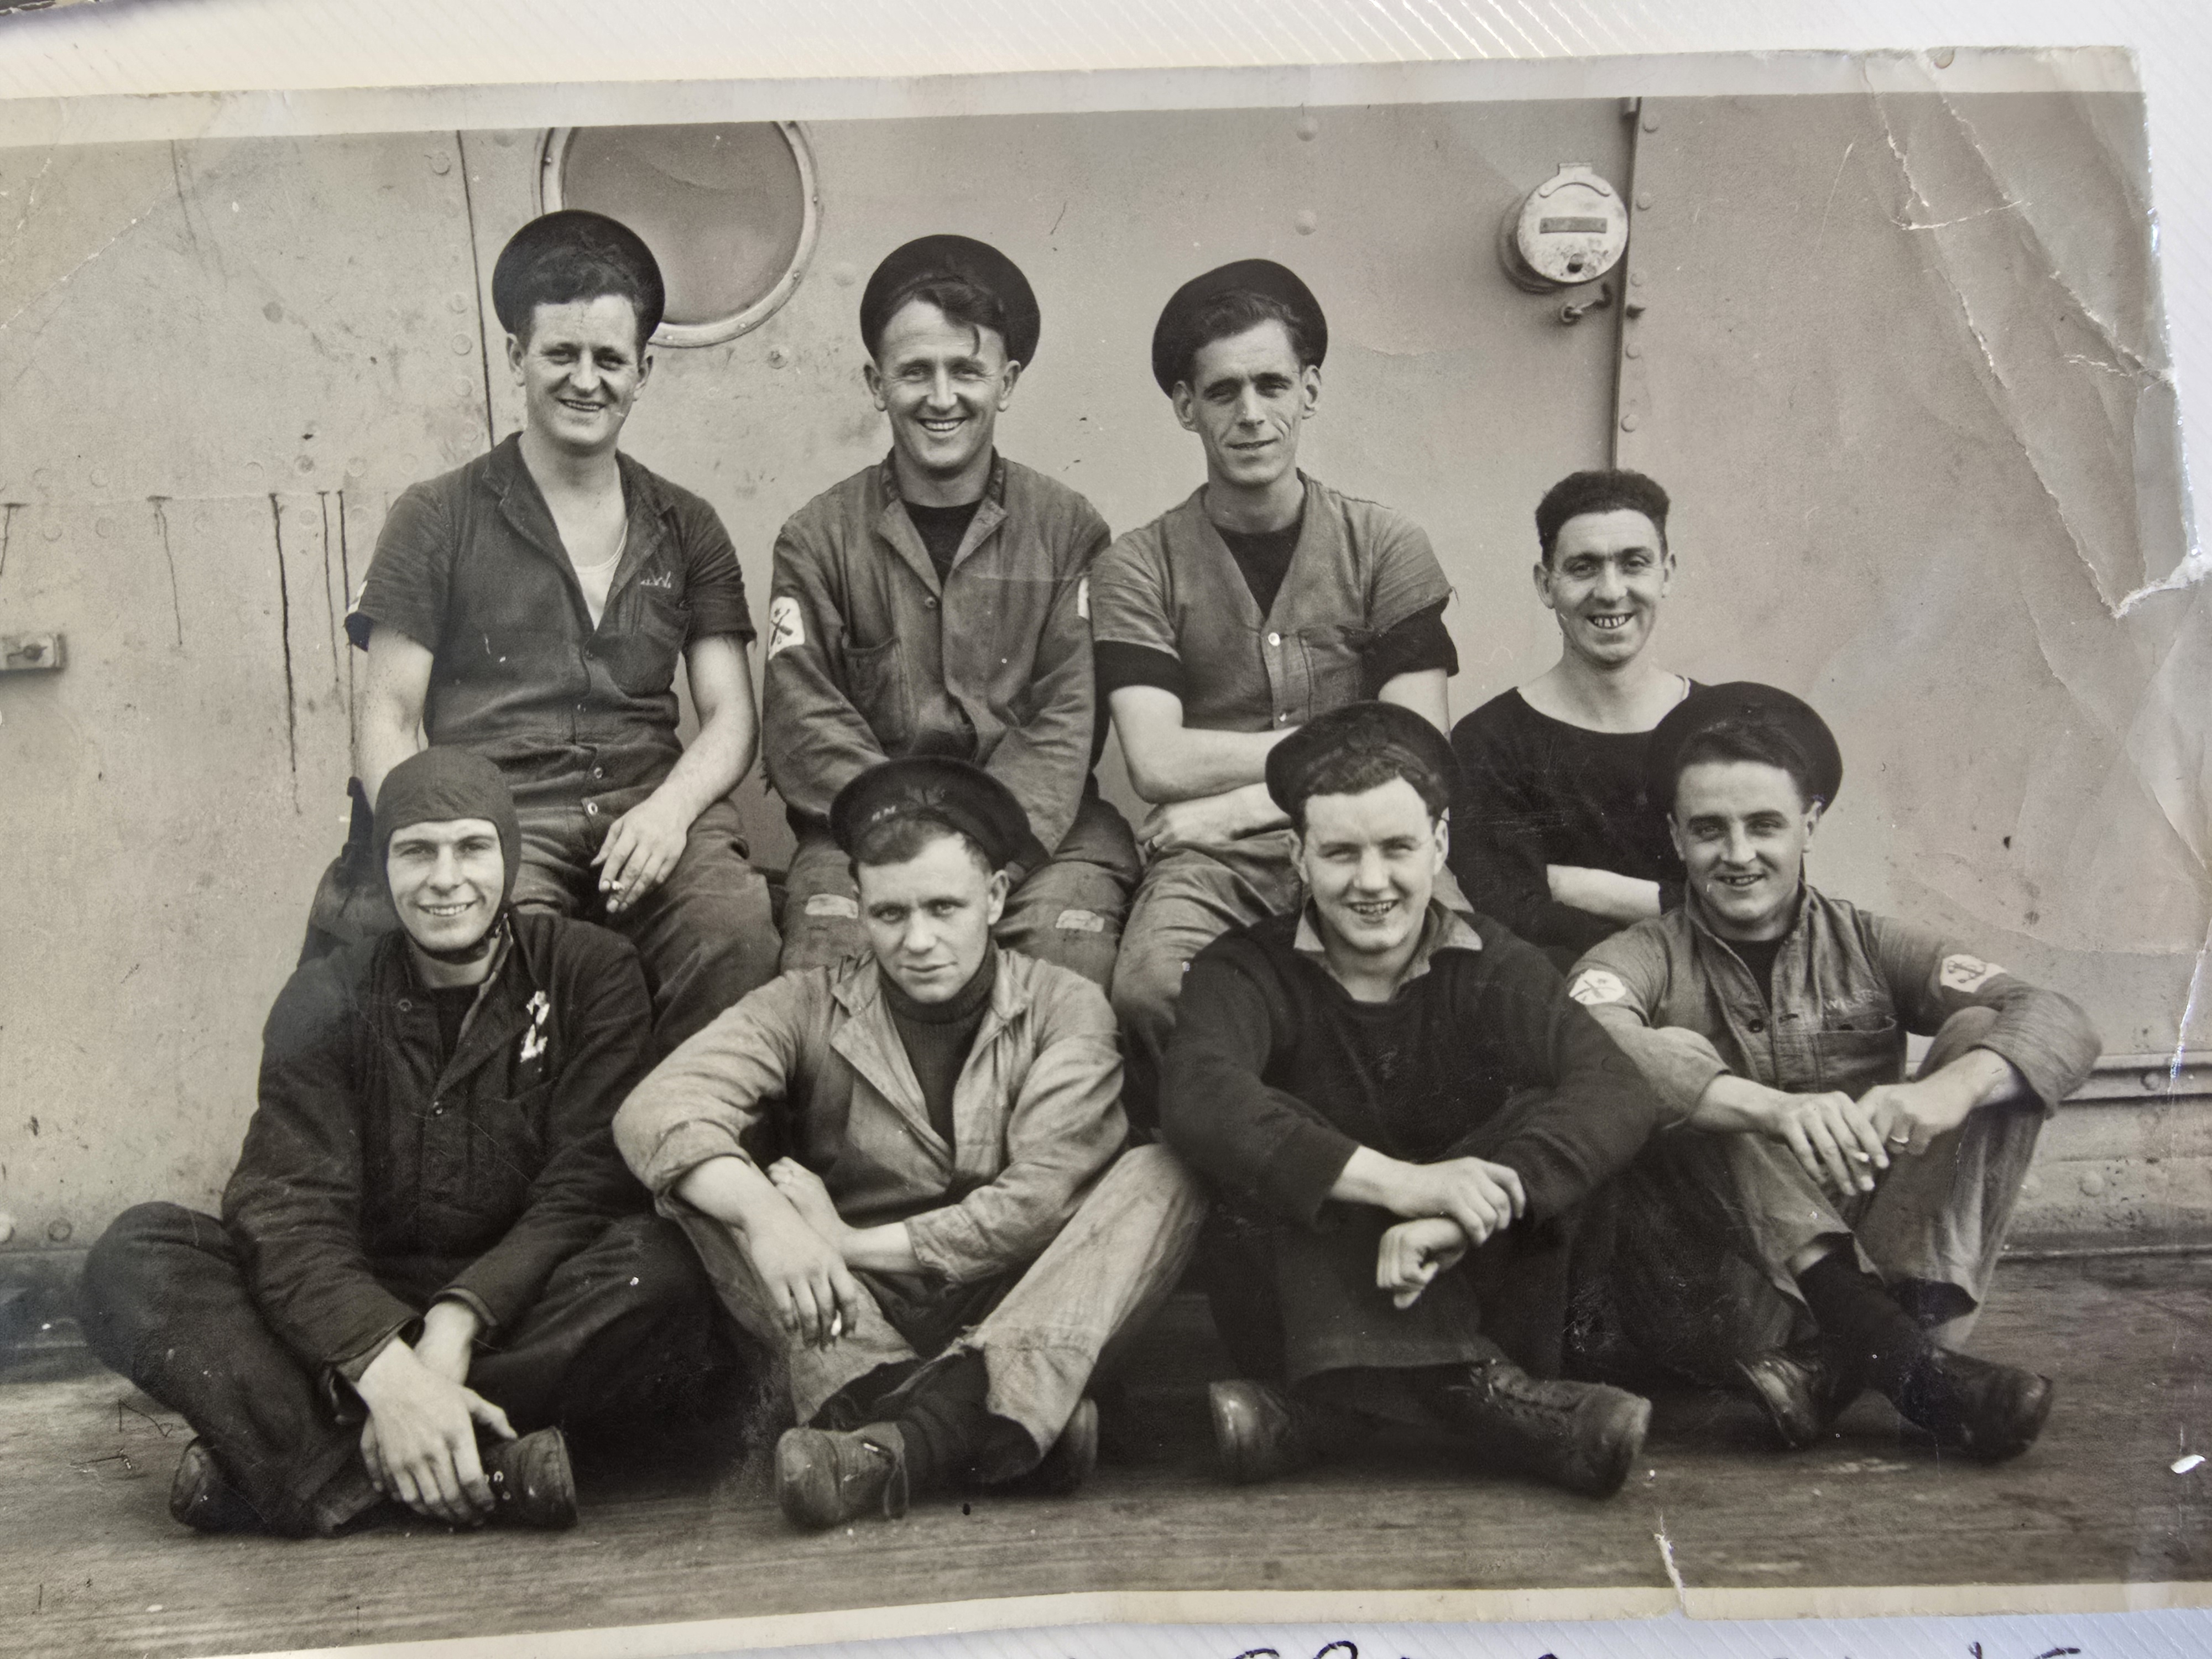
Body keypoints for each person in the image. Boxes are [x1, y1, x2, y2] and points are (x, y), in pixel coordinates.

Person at [77, 749, 737, 1537]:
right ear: (386, 868)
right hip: (354, 1310)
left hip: (516, 1305)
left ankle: (314, 1466)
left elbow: (586, 1188)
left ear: (508, 856)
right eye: (416, 851)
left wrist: (456, 1323)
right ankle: (475, 1462)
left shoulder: (589, 971)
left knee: (664, 1272)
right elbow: (287, 1211)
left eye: (472, 848)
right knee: (135, 1258)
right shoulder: (325, 994)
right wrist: (388, 1371)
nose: (445, 879)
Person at [614, 757, 1206, 1531]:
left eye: (944, 908)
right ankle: (999, 1420)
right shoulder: (807, 1003)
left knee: (1165, 1173)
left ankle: (897, 1438)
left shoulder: (1065, 1005)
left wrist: (847, 1241)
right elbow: (655, 1108)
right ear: (860, 908)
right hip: (854, 1313)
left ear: (995, 898)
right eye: (890, 914)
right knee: (705, 1184)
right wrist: (771, 1219)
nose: (918, 941)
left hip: (1017, 1300)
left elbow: (1038, 1201)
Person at [1568, 684, 2101, 1459]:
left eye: (1764, 826)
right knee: (1677, 1071)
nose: (1738, 854)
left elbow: (2059, 1017)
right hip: (1724, 1302)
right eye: (1710, 829)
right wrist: (1767, 1108)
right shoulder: (1639, 957)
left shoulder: (1870, 942)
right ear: (1676, 837)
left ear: (1810, 824)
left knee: (1987, 1034)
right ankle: (1908, 1364)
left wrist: (1945, 1092)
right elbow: (1587, 1041)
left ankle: (1845, 1361)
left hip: (1893, 1271)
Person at [1159, 702, 1667, 1499]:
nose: (1372, 883)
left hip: (1469, 1276)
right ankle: (1482, 1401)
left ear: (1439, 845)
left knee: (1552, 1112)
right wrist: (1403, 1186)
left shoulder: (1495, 961)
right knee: (1262, 1118)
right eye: (1340, 853)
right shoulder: (1242, 969)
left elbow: (1617, 1087)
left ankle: (1331, 1412)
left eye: (1397, 848)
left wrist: (1457, 1216)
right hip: (1296, 1303)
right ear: (1298, 856)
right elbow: (1197, 1093)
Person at [345, 208, 778, 1053]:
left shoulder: (687, 523)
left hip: (649, 808)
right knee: (512, 965)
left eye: (610, 360)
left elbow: (732, 716)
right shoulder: (436, 516)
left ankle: (681, 1134)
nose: (587, 381)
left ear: (643, 371)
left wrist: (670, 813)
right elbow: (389, 717)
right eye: (561, 354)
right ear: (517, 357)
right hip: (500, 817)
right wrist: (440, 849)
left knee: (733, 934)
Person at [1088, 260, 1461, 1118]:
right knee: (1152, 987)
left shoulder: (1387, 546)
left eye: (1272, 385)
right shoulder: (1138, 564)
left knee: (1456, 980)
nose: (1251, 414)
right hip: (1214, 865)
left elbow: (1421, 747)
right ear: (1186, 406)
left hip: (1367, 835)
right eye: (1223, 392)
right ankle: (1226, 1167)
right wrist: (1345, 750)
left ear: (1311, 390)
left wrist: (1237, 807)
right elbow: (1158, 761)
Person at [764, 234, 1135, 989]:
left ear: (1007, 380)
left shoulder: (1069, 531)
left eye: (966, 370)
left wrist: (982, 849)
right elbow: (806, 727)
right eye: (914, 372)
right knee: (828, 972)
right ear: (876, 383)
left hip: (1040, 841)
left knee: (1065, 965)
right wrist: (911, 849)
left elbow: (1068, 721)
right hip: (863, 839)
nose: (940, 398)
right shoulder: (816, 539)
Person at [1449, 468, 1694, 970]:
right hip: (1558, 1001)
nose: (1611, 591)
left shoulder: (1720, 729)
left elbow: (1768, 903)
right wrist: (1677, 904)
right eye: (1584, 568)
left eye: (1634, 564)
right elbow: (1509, 917)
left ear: (1666, 574)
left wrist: (1587, 888)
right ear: (1546, 584)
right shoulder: (1490, 741)